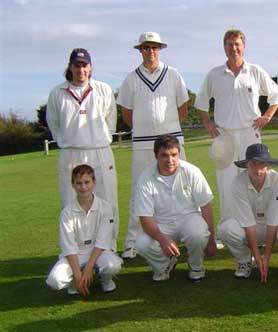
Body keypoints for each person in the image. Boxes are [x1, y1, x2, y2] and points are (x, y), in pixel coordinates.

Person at [195, 29, 278, 226]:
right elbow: (201, 102)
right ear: (224, 47)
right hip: (224, 135)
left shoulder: (255, 71)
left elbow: (275, 96)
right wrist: (208, 122)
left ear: (244, 46)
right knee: (226, 182)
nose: (233, 48)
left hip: (250, 134)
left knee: (254, 179)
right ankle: (228, 225)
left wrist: (267, 116)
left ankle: (255, 224)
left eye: (237, 44)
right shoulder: (214, 74)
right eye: (229, 44)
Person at [117, 31, 190, 259]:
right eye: (146, 47)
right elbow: (127, 114)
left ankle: (188, 235)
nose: (151, 51)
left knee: (182, 187)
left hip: (172, 141)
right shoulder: (131, 78)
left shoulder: (174, 75)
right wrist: (146, 129)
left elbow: (183, 109)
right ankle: (131, 243)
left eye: (154, 47)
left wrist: (166, 131)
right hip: (142, 143)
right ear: (140, 50)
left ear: (160, 49)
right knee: (139, 190)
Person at [46, 48, 119, 250]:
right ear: (70, 67)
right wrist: (69, 140)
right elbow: (54, 124)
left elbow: (110, 121)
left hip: (100, 150)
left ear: (90, 67)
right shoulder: (57, 93)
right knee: (71, 201)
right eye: (76, 65)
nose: (81, 69)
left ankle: (109, 248)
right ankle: (75, 251)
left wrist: (100, 138)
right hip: (71, 153)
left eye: (84, 65)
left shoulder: (103, 89)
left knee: (107, 199)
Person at [134, 135, 217, 282]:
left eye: (174, 155)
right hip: (161, 223)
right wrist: (162, 239)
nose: (170, 160)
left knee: (198, 234)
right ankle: (165, 265)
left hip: (189, 218)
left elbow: (206, 207)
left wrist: (211, 240)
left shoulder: (192, 171)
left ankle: (196, 266)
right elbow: (145, 218)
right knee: (141, 244)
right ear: (156, 156)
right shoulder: (145, 178)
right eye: (164, 155)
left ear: (179, 153)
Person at [218, 143, 278, 282]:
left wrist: (266, 258)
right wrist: (258, 258)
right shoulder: (238, 182)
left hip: (275, 224)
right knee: (225, 230)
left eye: (261, 164)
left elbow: (274, 221)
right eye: (253, 164)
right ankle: (245, 260)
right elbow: (248, 223)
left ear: (268, 165)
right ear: (246, 165)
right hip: (249, 226)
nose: (257, 170)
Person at [46, 165, 122, 295]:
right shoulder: (67, 212)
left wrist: (88, 268)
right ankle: (74, 283)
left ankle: (105, 280)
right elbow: (68, 246)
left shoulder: (105, 207)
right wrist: (77, 275)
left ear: (94, 182)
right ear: (73, 185)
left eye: (87, 182)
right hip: (76, 254)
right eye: (79, 183)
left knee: (113, 265)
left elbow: (102, 241)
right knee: (55, 281)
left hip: (98, 251)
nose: (83, 187)